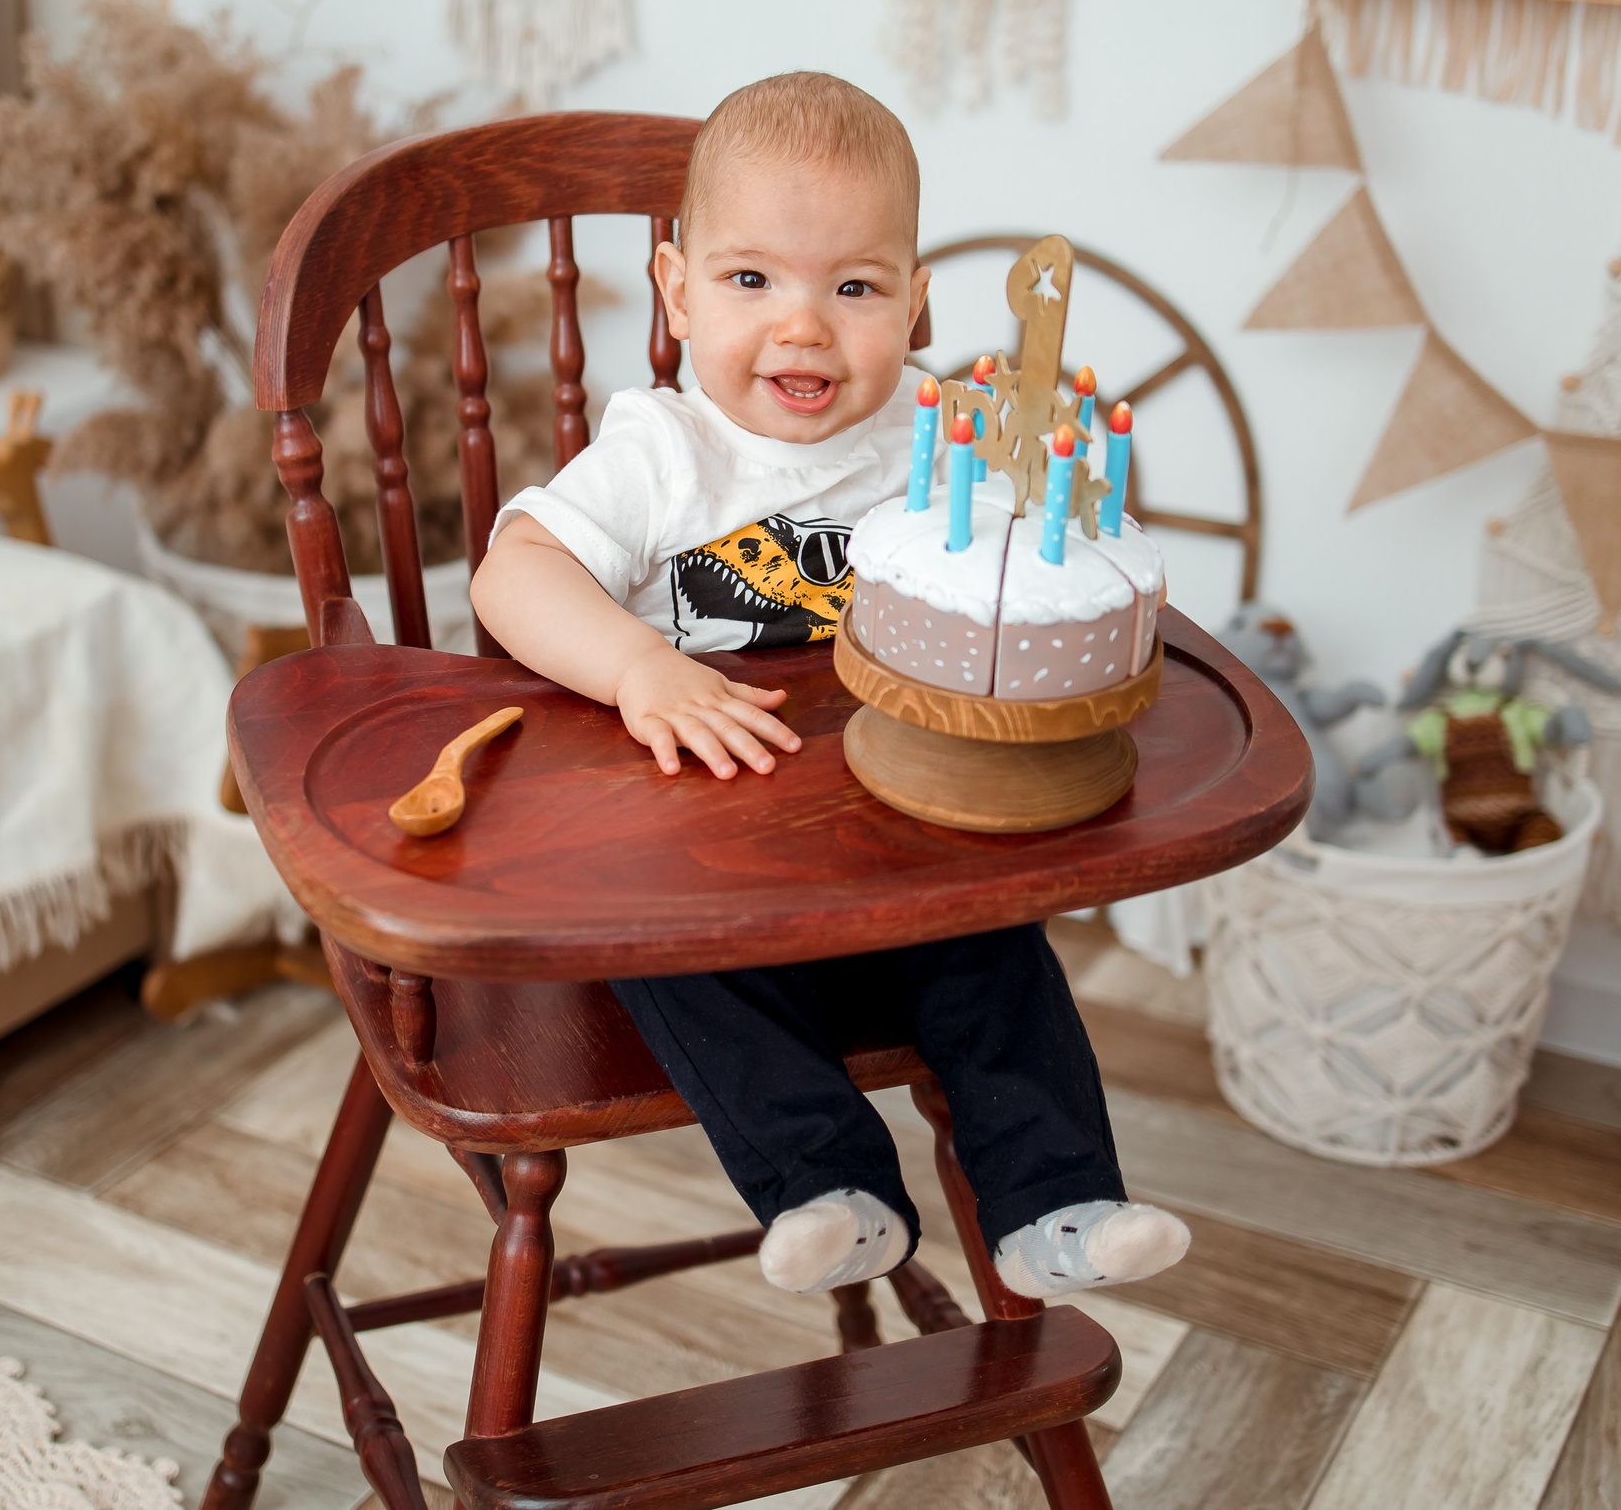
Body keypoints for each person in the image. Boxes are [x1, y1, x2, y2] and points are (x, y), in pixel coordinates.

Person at [468, 72, 1189, 1299]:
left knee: (998, 950)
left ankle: (1056, 1202)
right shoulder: (661, 454)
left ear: (913, 307)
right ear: (677, 289)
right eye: (752, 281)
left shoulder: (940, 437)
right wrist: (640, 664)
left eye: (852, 288)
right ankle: (826, 1187)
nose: (803, 327)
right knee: (667, 956)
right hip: (701, 869)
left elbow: (1017, 575)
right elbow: (511, 576)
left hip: (898, 850)